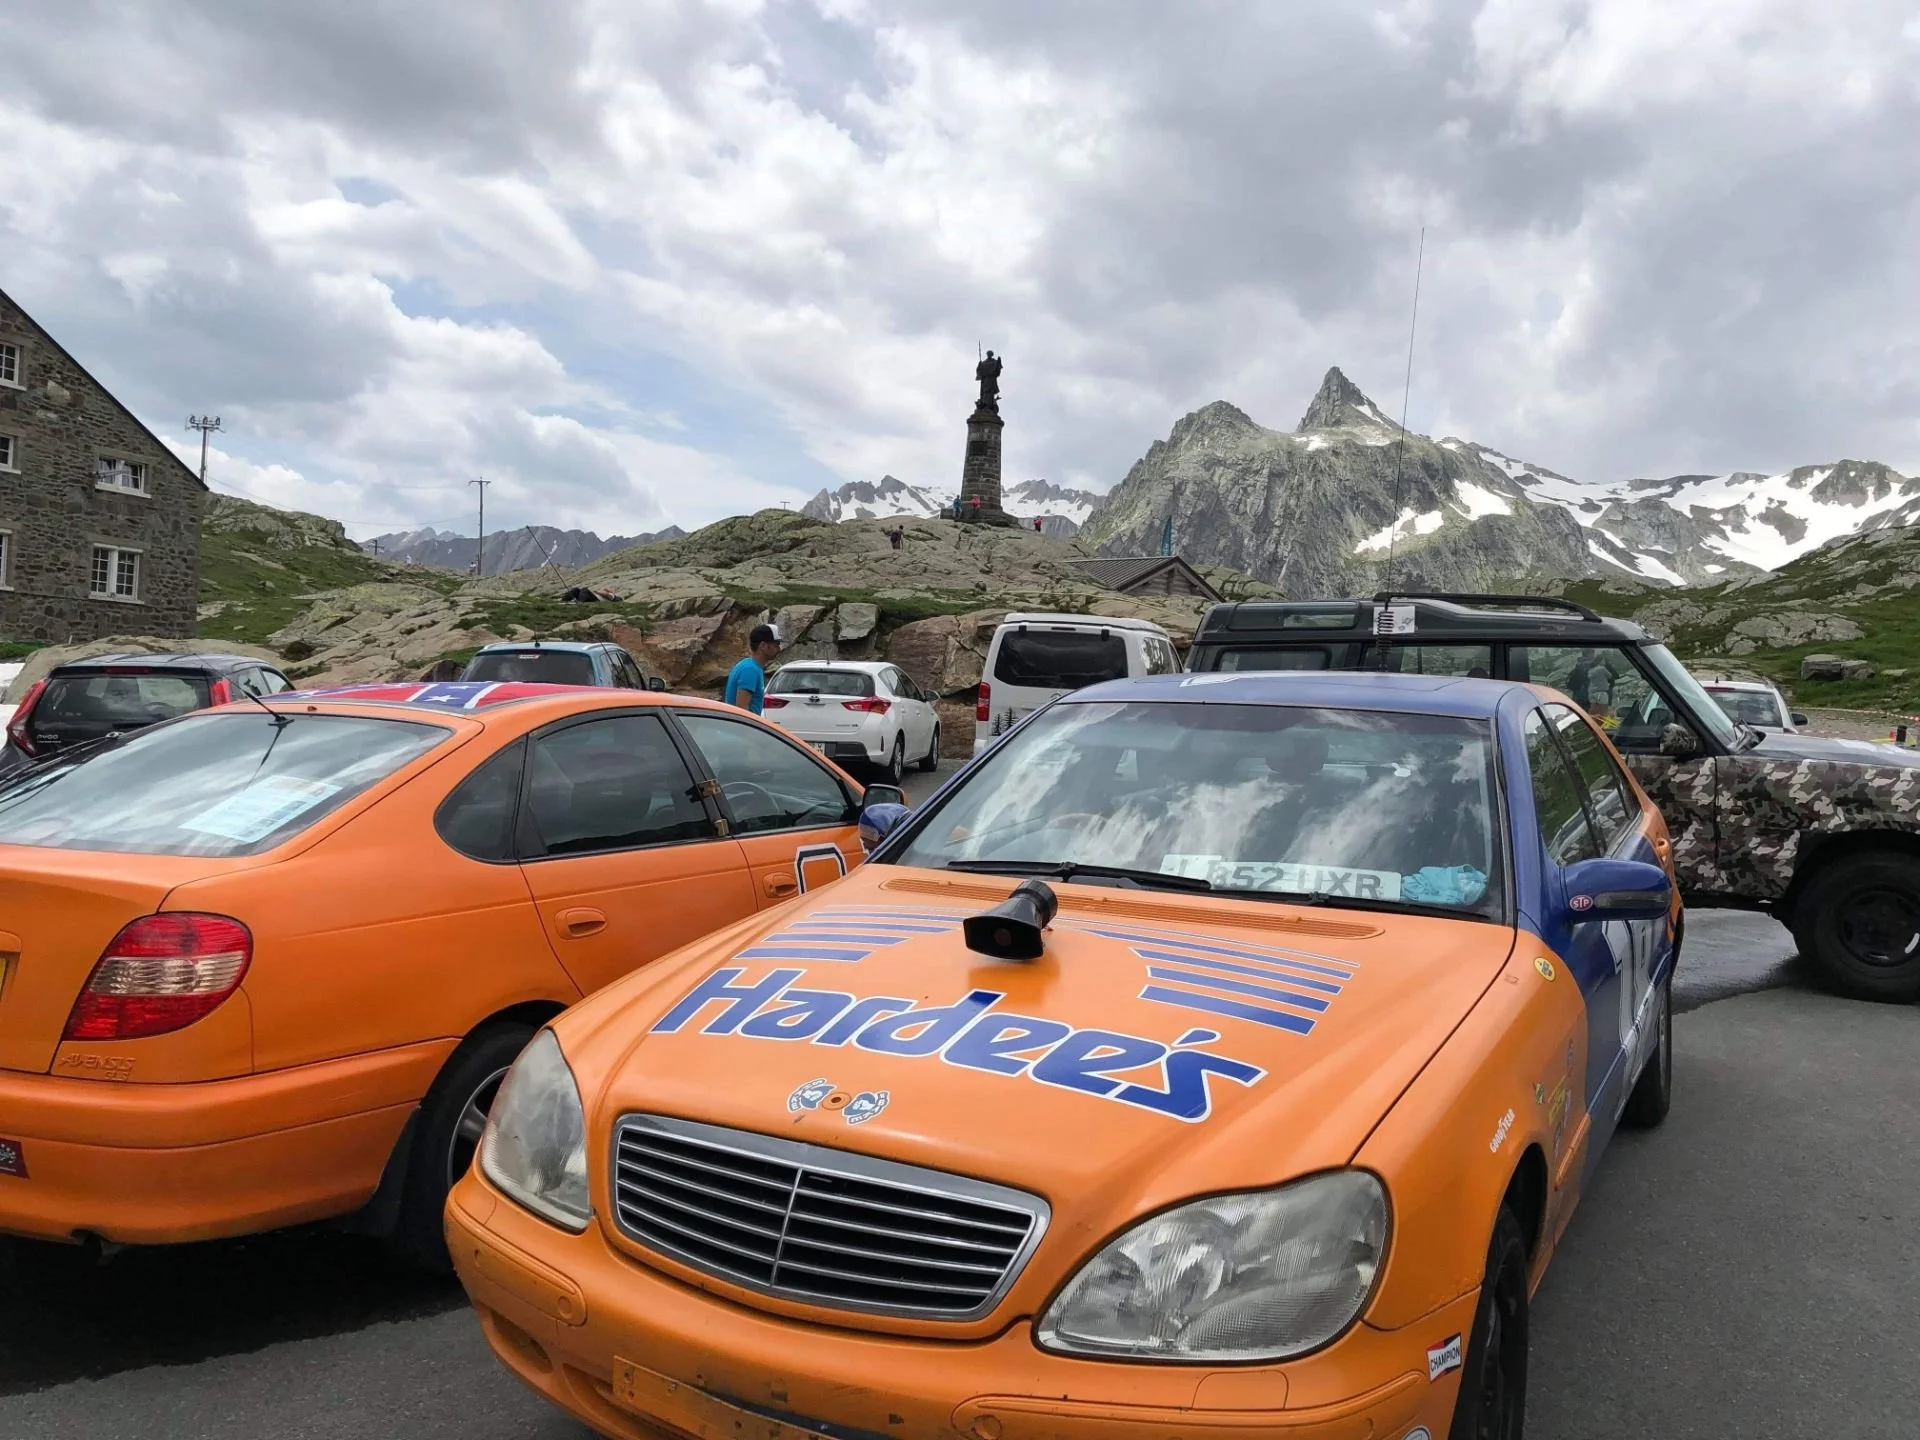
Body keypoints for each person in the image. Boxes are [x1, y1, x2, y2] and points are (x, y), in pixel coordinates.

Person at [726, 623, 782, 713]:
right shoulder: (750, 670)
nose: (779, 649)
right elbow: (742, 710)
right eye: (776, 645)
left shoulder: (750, 666)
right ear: (763, 646)